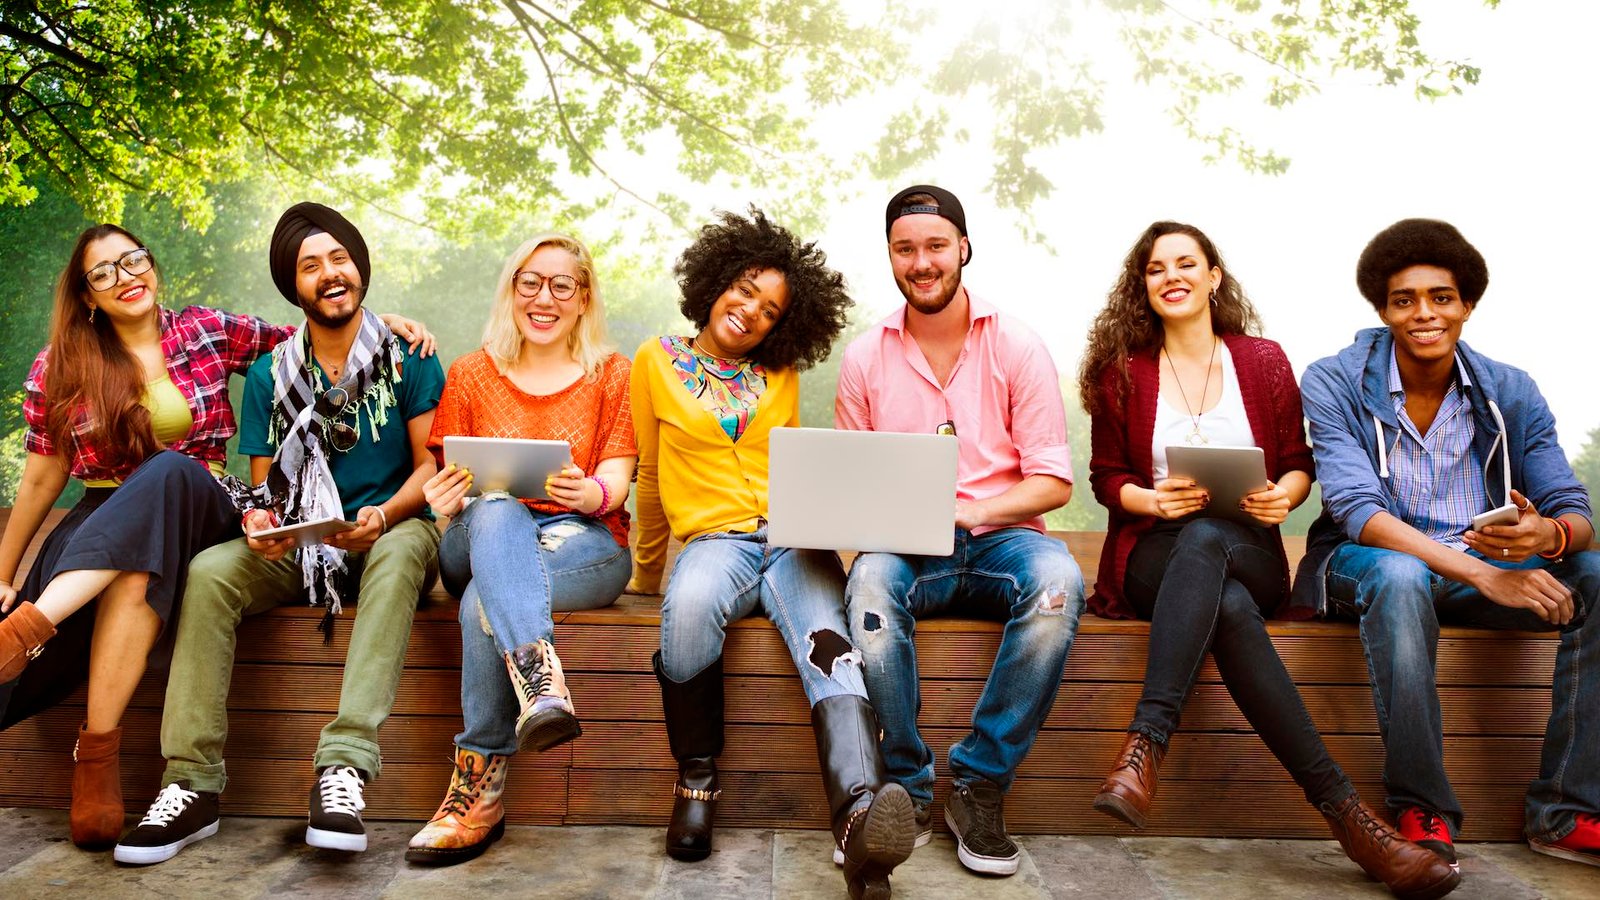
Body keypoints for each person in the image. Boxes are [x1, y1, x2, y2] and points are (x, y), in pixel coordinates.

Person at [0, 222, 427, 849]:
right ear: (87, 296)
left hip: (204, 499)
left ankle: (25, 631)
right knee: (138, 568)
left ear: (152, 265)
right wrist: (4, 573)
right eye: (105, 273)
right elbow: (40, 480)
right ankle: (96, 759)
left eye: (134, 260)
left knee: (170, 469)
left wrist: (379, 322)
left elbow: (312, 335)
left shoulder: (203, 330)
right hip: (106, 519)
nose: (127, 277)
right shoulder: (61, 365)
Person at [1079, 221, 1459, 899]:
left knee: (1214, 549)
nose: (1172, 276)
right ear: (1142, 285)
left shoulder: (1261, 360)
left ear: (1213, 276)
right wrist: (1151, 499)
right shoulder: (1124, 370)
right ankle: (1352, 821)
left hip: (1249, 548)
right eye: (1155, 267)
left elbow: (1298, 465)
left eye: (1186, 263)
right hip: (1153, 555)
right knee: (1208, 574)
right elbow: (1106, 477)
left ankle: (1145, 746)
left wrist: (1281, 498)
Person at [113, 202, 445, 865]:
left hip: (392, 530)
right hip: (306, 548)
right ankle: (192, 782)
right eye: (310, 266)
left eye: (340, 259)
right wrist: (263, 525)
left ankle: (344, 768)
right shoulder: (270, 374)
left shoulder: (410, 355)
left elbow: (430, 465)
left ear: (360, 268)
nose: (330, 274)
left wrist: (380, 516)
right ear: (294, 286)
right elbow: (268, 491)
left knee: (405, 546)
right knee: (211, 571)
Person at [1296, 218, 1600, 872]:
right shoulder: (1333, 380)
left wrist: (1546, 535)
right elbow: (1356, 511)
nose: (1424, 313)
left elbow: (1575, 511)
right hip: (1366, 567)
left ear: (1467, 305)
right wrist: (1486, 575)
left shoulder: (1510, 390)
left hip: (1476, 570)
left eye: (1442, 297)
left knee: (1595, 576)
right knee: (1402, 577)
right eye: (1404, 300)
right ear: (1381, 308)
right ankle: (1421, 807)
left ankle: (1567, 810)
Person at [632, 209, 914, 899]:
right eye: (744, 290)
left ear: (782, 324)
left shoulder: (779, 374)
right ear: (717, 281)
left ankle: (857, 819)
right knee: (691, 605)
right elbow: (646, 474)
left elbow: (796, 465)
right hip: (715, 542)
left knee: (831, 644)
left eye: (770, 309)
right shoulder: (655, 361)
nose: (751, 311)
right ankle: (696, 780)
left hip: (791, 540)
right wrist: (645, 572)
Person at [836, 185, 1083, 878]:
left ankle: (978, 784)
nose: (922, 262)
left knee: (1059, 580)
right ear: (890, 256)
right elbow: (855, 482)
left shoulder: (1018, 345)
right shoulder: (864, 357)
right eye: (905, 248)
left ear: (964, 248)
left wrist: (973, 511)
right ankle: (906, 790)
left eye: (936, 246)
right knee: (872, 583)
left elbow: (1053, 483)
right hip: (911, 549)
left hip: (1003, 538)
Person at [405, 233, 636, 865]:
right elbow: (442, 481)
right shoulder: (472, 373)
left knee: (491, 593)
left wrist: (590, 494)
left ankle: (476, 791)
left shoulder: (612, 374)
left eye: (562, 285)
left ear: (584, 298)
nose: (544, 298)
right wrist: (444, 499)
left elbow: (616, 478)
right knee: (498, 506)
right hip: (474, 536)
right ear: (512, 290)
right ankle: (539, 683)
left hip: (581, 543)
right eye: (530, 282)